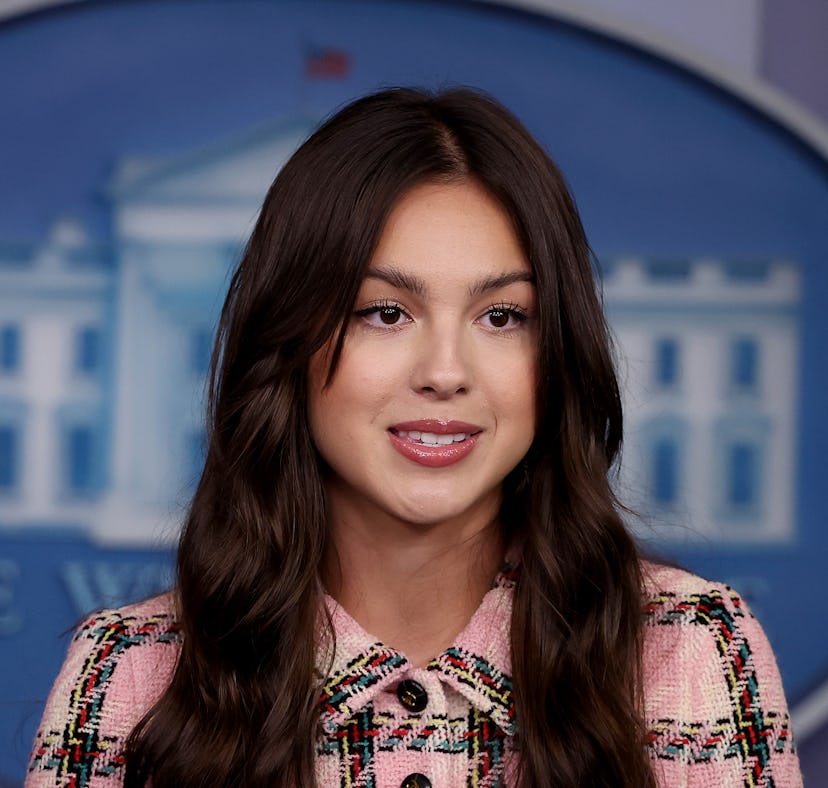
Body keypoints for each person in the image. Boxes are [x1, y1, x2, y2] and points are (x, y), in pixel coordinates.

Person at [26, 87, 801, 788]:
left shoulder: (693, 651)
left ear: (556, 353)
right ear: (286, 345)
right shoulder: (127, 672)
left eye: (502, 317)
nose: (445, 372)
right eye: (385, 312)